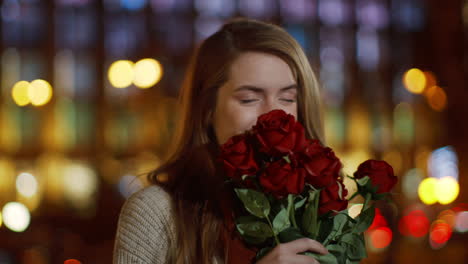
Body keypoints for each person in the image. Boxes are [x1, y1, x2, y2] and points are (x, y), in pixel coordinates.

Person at [113, 18, 330, 264]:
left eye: (288, 98)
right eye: (249, 99)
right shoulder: (156, 213)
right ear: (207, 110)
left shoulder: (316, 209)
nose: (274, 116)